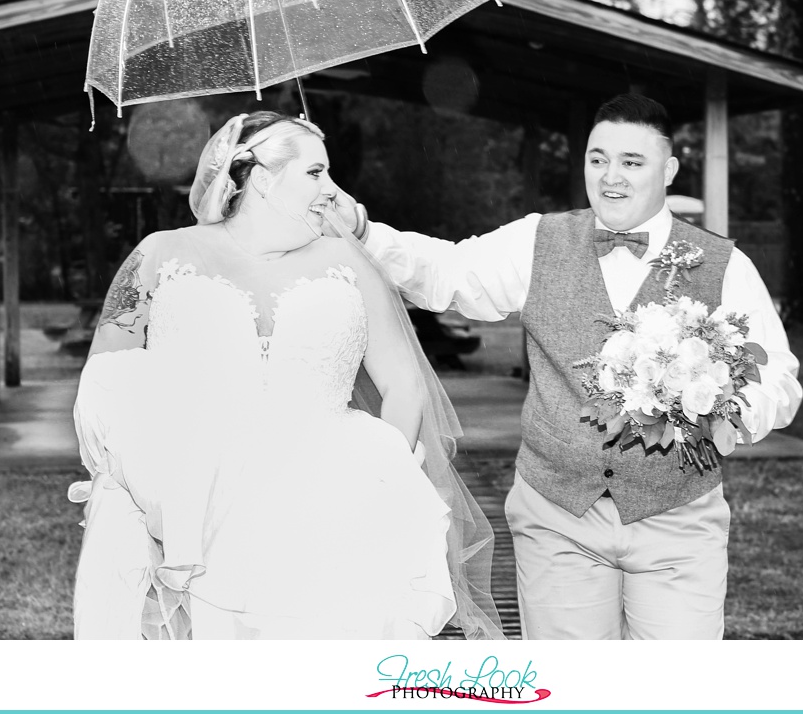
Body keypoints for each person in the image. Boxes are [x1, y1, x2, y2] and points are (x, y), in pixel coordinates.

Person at [332, 90, 801, 641]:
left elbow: (778, 379)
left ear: (669, 169)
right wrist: (364, 232)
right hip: (557, 516)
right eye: (598, 159)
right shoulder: (539, 239)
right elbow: (449, 271)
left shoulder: (725, 264)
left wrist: (726, 409)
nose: (611, 178)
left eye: (632, 162)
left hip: (679, 521)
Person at [70, 110, 500, 641]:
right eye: (315, 173)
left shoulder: (349, 260)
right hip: (198, 500)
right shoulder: (161, 253)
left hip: (332, 496)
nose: (332, 192)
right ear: (262, 177)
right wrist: (159, 486)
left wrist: (381, 478)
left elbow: (403, 385)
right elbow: (109, 382)